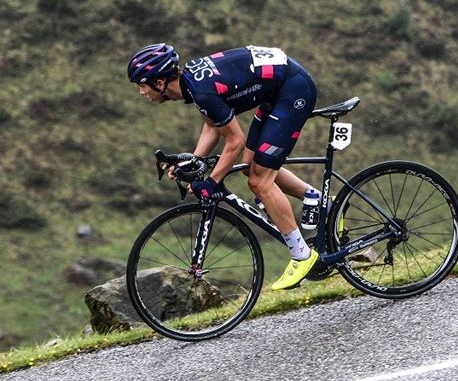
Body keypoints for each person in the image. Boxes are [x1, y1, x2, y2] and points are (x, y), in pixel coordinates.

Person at [127, 42, 323, 290]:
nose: (141, 92)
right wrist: (194, 160)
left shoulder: (202, 92)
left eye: (142, 85)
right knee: (249, 167)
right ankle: (317, 199)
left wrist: (212, 182)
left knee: (260, 181)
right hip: (278, 87)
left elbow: (235, 141)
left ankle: (302, 256)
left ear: (159, 82)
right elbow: (213, 126)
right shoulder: (192, 85)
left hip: (292, 89)